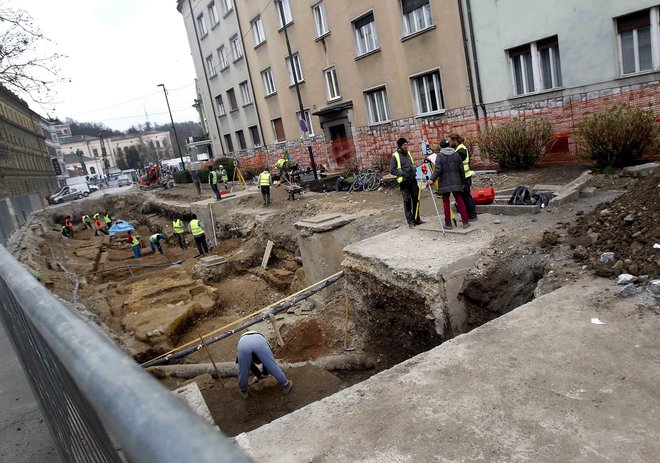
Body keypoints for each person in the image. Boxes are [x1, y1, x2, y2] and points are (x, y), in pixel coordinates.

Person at [236, 330, 293, 400]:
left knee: (243, 370)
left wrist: (259, 375)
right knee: (271, 365)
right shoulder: (264, 342)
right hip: (259, 340)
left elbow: (247, 366)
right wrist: (261, 375)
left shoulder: (242, 350)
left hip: (243, 344)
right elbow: (268, 362)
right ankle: (286, 384)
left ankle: (244, 391)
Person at [427, 139, 470, 229]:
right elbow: (461, 169)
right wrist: (462, 181)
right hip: (456, 181)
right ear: (449, 145)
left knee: (446, 203)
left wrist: (432, 180)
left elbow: (438, 170)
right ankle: (465, 222)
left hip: (444, 183)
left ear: (441, 146)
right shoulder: (456, 155)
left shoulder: (440, 156)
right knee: (460, 201)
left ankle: (448, 224)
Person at [390, 137, 423, 228]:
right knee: (407, 201)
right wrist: (402, 174)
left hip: (412, 180)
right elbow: (392, 170)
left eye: (406, 144)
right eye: (404, 145)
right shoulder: (395, 156)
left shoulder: (408, 153)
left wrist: (414, 170)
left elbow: (412, 164)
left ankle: (417, 218)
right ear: (400, 146)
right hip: (404, 182)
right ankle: (410, 221)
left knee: (416, 198)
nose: (406, 146)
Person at [449, 133, 477, 221]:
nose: (450, 143)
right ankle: (469, 215)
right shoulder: (459, 148)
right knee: (465, 196)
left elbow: (455, 162)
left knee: (466, 197)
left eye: (451, 141)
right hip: (464, 176)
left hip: (464, 177)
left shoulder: (461, 150)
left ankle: (471, 215)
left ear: (455, 140)